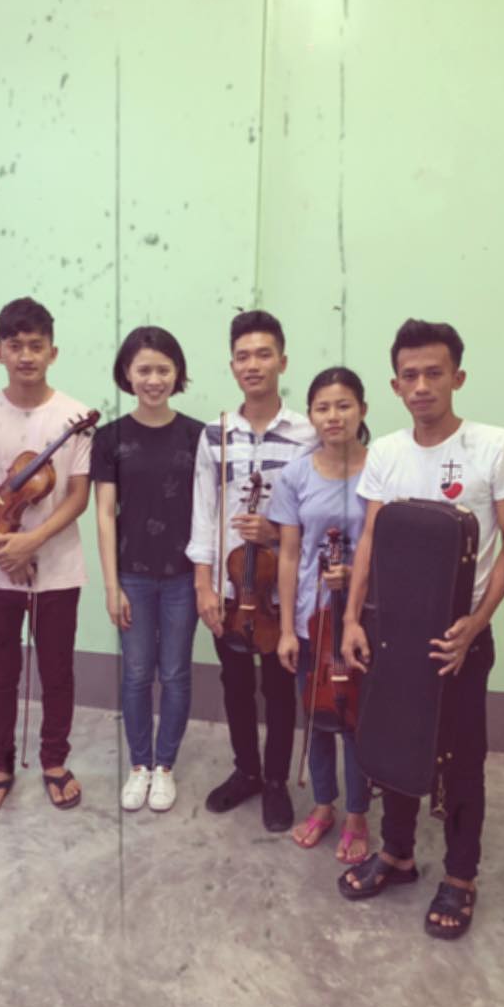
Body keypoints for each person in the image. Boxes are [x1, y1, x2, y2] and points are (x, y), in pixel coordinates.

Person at [339, 318, 504, 939]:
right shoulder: (387, 453)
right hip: (393, 633)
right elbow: (370, 539)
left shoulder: (494, 447)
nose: (422, 385)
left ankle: (460, 875)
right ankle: (398, 855)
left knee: (462, 759)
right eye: (410, 375)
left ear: (458, 377)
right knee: (398, 741)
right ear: (395, 386)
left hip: (459, 637)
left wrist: (476, 623)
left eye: (434, 373)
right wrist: (351, 617)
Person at [0, 297, 92, 815]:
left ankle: (54, 761)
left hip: (59, 567)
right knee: (1, 672)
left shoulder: (75, 417)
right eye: (15, 346)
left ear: (53, 352)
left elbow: (78, 495)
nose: (26, 355)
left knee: (57, 672)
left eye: (36, 345)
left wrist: (33, 541)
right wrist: (0, 544)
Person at [186, 309, 316, 831]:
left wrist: (277, 532)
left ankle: (277, 781)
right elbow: (203, 512)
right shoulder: (215, 433)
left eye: (264, 354)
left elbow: (316, 508)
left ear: (283, 361)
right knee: (235, 684)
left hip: (281, 588)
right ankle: (246, 771)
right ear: (232, 365)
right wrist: (203, 585)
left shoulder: (308, 433)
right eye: (243, 356)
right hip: (229, 585)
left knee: (280, 690)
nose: (253, 364)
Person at [91, 326, 203, 812]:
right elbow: (104, 514)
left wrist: (205, 579)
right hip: (132, 575)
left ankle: (165, 767)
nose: (153, 379)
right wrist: (111, 585)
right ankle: (139, 765)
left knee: (175, 673)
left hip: (184, 576)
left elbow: (208, 512)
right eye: (144, 370)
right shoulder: (109, 438)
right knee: (137, 673)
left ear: (177, 373)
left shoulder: (199, 436)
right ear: (127, 374)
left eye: (163, 369)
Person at [271, 367, 371, 862]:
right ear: (310, 415)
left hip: (364, 619)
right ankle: (324, 803)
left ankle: (358, 814)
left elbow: (389, 548)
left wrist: (354, 573)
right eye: (323, 407)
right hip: (312, 619)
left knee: (358, 720)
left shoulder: (382, 470)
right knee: (316, 715)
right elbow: (290, 555)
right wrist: (286, 629)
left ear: (362, 410)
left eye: (344, 405)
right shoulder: (296, 475)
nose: (333, 416)